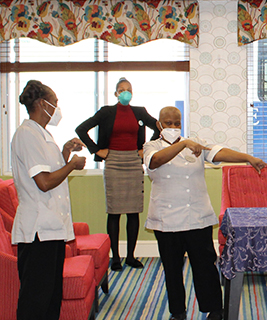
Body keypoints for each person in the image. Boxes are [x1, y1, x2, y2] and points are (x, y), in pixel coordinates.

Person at [143, 107, 267, 320]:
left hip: (197, 217)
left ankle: (214, 310)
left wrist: (248, 157)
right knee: (172, 269)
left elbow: (219, 152)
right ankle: (178, 312)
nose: (173, 127)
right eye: (168, 123)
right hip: (166, 219)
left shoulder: (195, 143)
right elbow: (155, 161)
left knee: (205, 267)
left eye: (177, 122)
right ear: (159, 125)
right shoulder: (151, 146)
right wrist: (183, 143)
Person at [11, 80, 87, 319]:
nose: (57, 108)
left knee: (52, 298)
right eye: (54, 103)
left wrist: (64, 152)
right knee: (36, 301)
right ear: (43, 104)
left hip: (52, 228)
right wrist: (73, 165)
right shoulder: (26, 134)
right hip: (37, 231)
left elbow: (51, 172)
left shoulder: (43, 134)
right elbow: (43, 182)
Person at [76, 77, 159, 271]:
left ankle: (130, 256)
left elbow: (158, 128)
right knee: (114, 211)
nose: (125, 92)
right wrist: (97, 150)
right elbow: (81, 129)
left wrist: (145, 149)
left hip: (133, 162)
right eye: (121, 89)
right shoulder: (106, 112)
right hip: (113, 162)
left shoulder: (140, 112)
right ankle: (116, 258)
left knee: (133, 211)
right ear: (115, 93)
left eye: (128, 89)